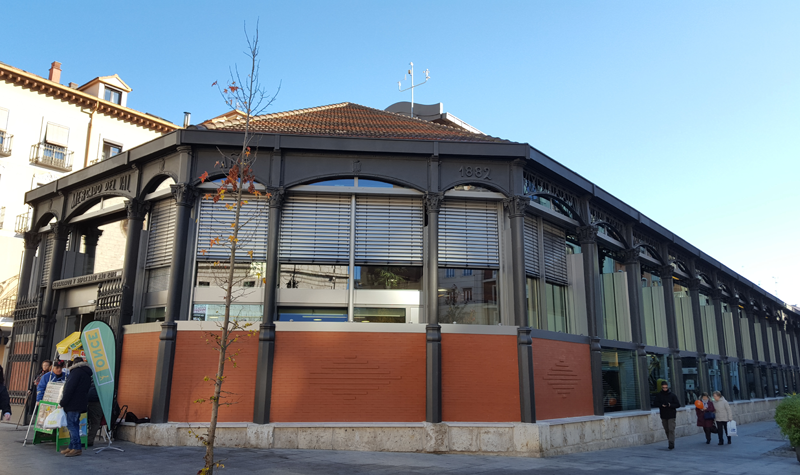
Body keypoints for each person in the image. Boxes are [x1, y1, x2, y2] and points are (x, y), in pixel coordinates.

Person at [59, 357, 93, 457]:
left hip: (73, 403)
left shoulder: (76, 372)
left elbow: (69, 388)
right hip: (80, 403)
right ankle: (71, 446)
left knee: (72, 426)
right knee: (74, 425)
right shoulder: (86, 373)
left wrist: (62, 402)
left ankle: (77, 448)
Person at [655, 381, 681, 450]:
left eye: (666, 387)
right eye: (663, 388)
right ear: (661, 387)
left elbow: (678, 404)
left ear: (668, 387)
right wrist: (661, 405)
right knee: (666, 429)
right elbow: (655, 403)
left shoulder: (672, 395)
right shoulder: (659, 395)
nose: (665, 389)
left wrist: (670, 405)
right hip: (663, 414)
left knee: (671, 429)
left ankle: (671, 443)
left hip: (671, 414)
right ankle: (670, 440)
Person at [86, 381, 103, 447]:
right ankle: (88, 440)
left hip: (95, 402)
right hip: (91, 401)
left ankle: (89, 440)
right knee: (94, 422)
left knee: (94, 422)